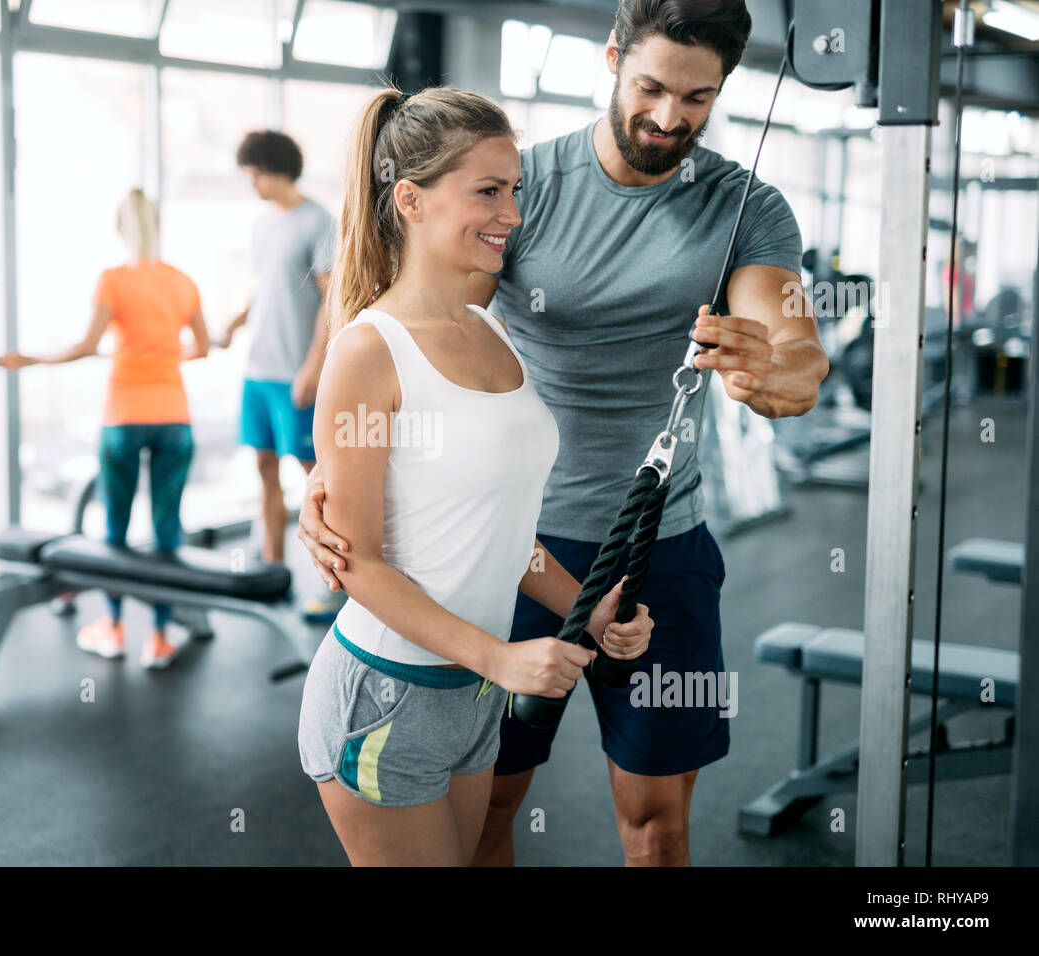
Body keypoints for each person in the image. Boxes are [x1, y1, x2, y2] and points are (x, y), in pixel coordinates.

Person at [298, 0, 827, 866]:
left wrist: (777, 371)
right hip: (510, 537)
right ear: (613, 57)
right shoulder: (520, 186)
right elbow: (411, 322)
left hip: (660, 547)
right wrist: (337, 463)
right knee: (493, 810)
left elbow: (797, 346)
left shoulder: (744, 207)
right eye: (651, 85)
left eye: (697, 98)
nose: (668, 116)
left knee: (656, 827)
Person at [295, 85, 656, 866]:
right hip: (386, 690)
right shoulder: (368, 351)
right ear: (411, 200)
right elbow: (356, 565)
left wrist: (586, 611)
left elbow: (500, 536)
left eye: (515, 190)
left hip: (473, 690)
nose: (513, 214)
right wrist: (500, 657)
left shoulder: (491, 330)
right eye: (487, 191)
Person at [0, 188, 212, 668]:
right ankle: (159, 636)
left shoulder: (113, 280)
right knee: (166, 530)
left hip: (124, 415)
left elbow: (86, 345)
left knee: (114, 528)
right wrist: (162, 354)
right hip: (173, 417)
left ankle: (113, 629)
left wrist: (28, 360)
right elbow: (202, 348)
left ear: (121, 230)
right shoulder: (182, 281)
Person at [224, 130, 344, 622]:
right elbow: (266, 287)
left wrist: (313, 367)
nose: (250, 182)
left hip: (296, 375)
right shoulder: (263, 225)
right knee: (264, 468)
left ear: (272, 169)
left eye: (253, 173)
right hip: (258, 369)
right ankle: (271, 569)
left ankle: (338, 582)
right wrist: (236, 321)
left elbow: (331, 299)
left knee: (316, 481)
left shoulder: (318, 221)